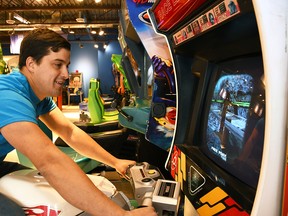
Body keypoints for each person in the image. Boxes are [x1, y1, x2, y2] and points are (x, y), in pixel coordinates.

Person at [0, 28, 157, 216]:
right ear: (31, 64)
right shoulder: (8, 97)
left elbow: (70, 133)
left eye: (67, 65)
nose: (66, 74)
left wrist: (115, 162)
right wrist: (122, 215)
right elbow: (49, 161)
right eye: (57, 65)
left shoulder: (38, 96)